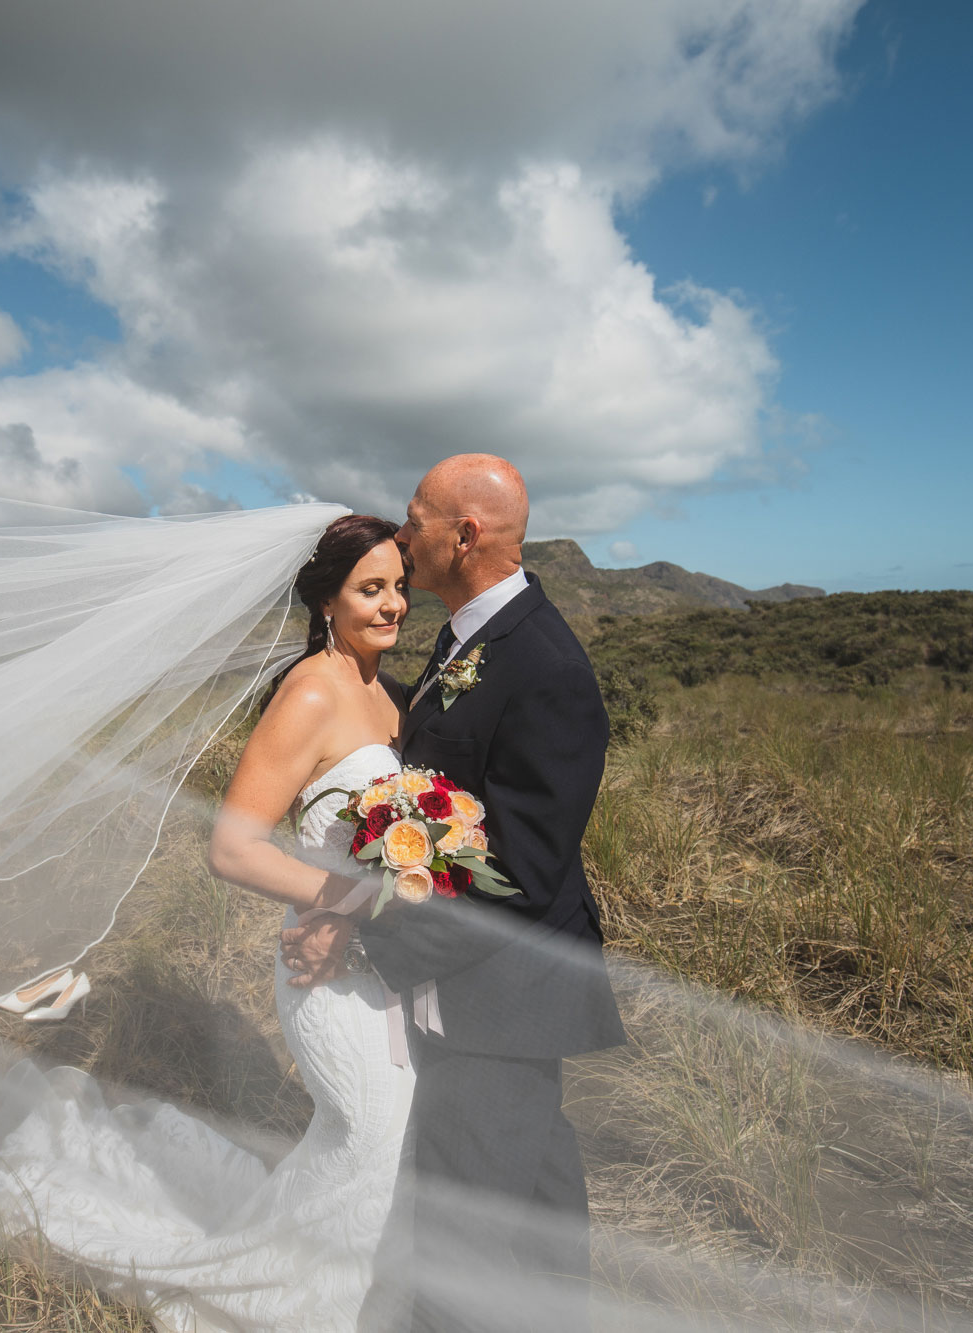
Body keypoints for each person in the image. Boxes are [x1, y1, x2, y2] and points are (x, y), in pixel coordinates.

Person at [0, 512, 422, 1332]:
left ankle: (341, 1293)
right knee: (362, 1133)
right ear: (326, 599)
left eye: (400, 585)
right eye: (371, 588)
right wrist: (351, 901)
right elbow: (233, 847)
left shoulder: (387, 691)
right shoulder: (313, 690)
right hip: (324, 965)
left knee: (382, 1141)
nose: (394, 603)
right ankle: (271, 1299)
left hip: (382, 961)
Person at [282, 454, 625, 1333]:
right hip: (480, 987)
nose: (403, 534)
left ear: (463, 535)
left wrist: (362, 935)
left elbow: (522, 873)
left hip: (501, 997)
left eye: (415, 518)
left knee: (459, 1239)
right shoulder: (468, 635)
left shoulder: (544, 663)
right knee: (535, 1209)